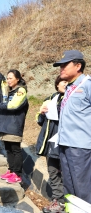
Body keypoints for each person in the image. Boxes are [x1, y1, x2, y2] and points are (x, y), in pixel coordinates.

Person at [53, 50, 91, 204]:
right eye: (60, 66)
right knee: (69, 188)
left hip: (80, 147)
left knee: (82, 189)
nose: (61, 68)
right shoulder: (69, 88)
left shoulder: (87, 85)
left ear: (78, 65)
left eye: (64, 65)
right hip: (65, 144)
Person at [0, 69, 29, 184]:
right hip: (7, 123)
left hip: (14, 124)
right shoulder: (10, 91)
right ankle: (11, 170)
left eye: (10, 78)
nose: (8, 80)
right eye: (7, 78)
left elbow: (13, 105)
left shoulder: (21, 91)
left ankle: (17, 173)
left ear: (18, 79)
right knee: (8, 149)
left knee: (15, 149)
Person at [36, 75, 67, 212]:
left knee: (66, 174)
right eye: (63, 82)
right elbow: (40, 121)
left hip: (65, 142)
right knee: (53, 172)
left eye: (67, 82)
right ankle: (57, 202)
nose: (65, 84)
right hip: (50, 142)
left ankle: (68, 202)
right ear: (57, 84)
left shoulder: (71, 99)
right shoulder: (49, 99)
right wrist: (42, 114)